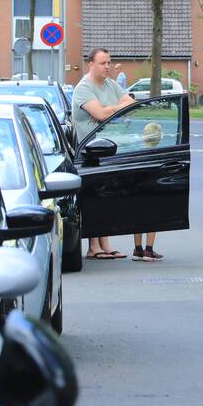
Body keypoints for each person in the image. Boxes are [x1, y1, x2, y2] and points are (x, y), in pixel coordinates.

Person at [74, 47, 135, 260]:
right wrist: (115, 107)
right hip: (89, 153)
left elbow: (131, 104)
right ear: (91, 64)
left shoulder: (110, 84)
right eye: (102, 63)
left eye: (109, 62)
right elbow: (99, 114)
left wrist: (109, 107)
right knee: (92, 198)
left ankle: (106, 244)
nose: (107, 67)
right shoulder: (84, 88)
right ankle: (93, 246)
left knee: (106, 197)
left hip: (108, 149)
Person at [132, 122, 164, 262]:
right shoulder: (159, 154)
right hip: (152, 192)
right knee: (152, 220)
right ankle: (149, 250)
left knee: (137, 220)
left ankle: (137, 249)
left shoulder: (137, 151)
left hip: (138, 191)